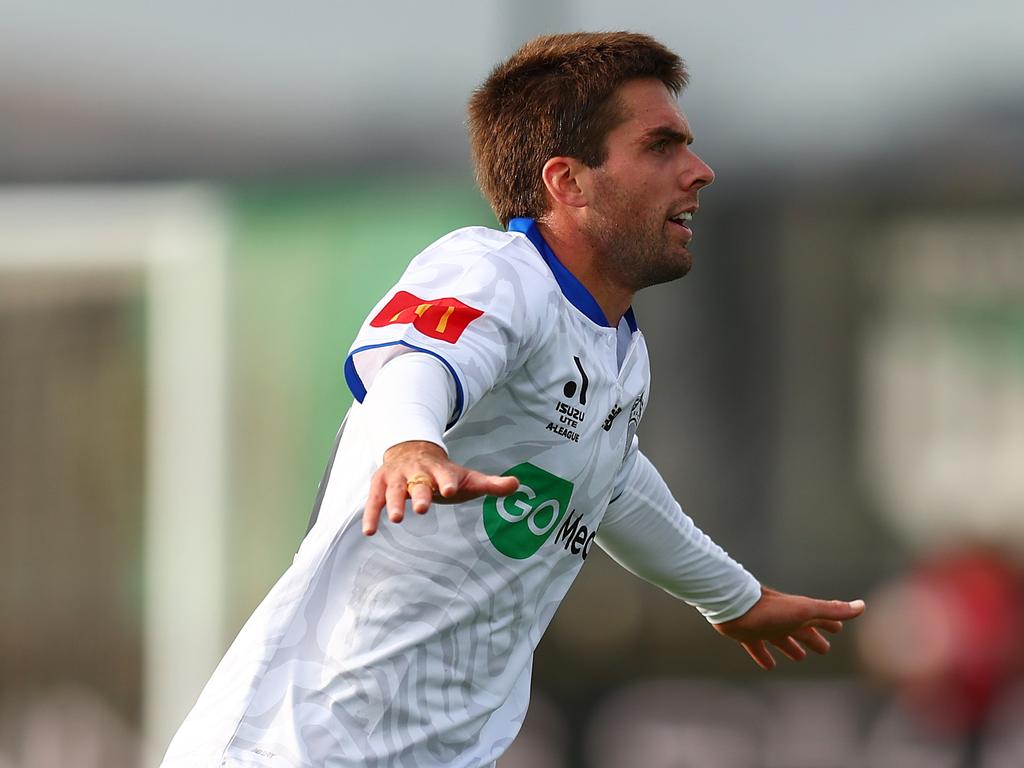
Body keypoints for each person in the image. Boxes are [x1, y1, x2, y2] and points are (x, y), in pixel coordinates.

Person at [160, 31, 865, 768]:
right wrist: (411, 442)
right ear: (568, 182)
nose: (699, 171)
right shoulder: (495, 271)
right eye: (661, 146)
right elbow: (412, 361)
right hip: (296, 751)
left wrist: (733, 597)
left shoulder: (617, 348)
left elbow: (613, 484)